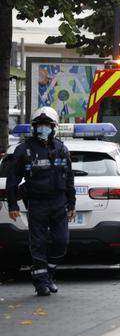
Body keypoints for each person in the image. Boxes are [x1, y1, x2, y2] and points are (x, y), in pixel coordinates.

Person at [6, 107, 75, 296]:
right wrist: (12, 205)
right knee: (39, 243)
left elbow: (69, 178)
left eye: (47, 125)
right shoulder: (24, 150)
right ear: (34, 127)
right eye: (40, 125)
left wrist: (72, 204)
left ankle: (49, 274)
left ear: (53, 127)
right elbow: (13, 179)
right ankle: (41, 283)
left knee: (62, 241)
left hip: (58, 202)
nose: (43, 128)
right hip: (36, 202)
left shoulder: (61, 148)